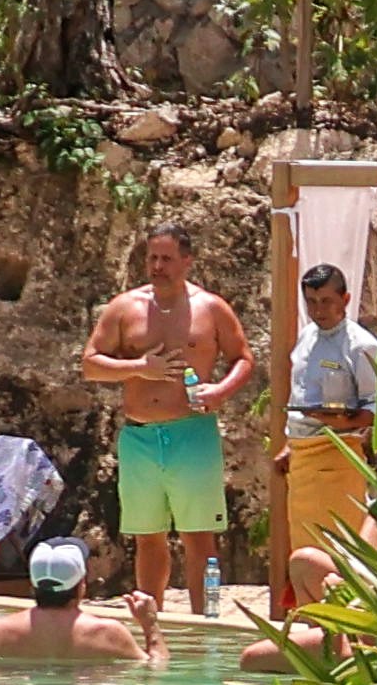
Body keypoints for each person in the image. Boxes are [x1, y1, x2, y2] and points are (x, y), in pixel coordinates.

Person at [80, 224, 255, 631]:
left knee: (201, 538)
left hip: (192, 433)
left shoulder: (210, 307)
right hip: (140, 435)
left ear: (187, 261)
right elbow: (91, 364)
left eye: (167, 259)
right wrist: (139, 367)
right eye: (152, 258)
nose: (157, 266)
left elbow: (243, 358)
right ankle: (150, 623)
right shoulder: (125, 307)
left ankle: (209, 619)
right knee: (147, 537)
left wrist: (219, 391)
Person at [276, 258, 377, 617]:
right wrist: (289, 445)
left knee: (338, 546)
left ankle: (346, 620)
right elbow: (300, 396)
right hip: (304, 457)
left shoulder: (361, 346)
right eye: (312, 302)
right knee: (304, 546)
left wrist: (339, 419)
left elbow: (375, 409)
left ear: (345, 299)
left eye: (326, 302)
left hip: (339, 455)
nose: (319, 310)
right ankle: (309, 620)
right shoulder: (306, 337)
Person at [0, 534, 148, 671]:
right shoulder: (108, 633)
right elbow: (153, 670)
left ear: (33, 583)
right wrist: (150, 625)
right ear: (81, 583)